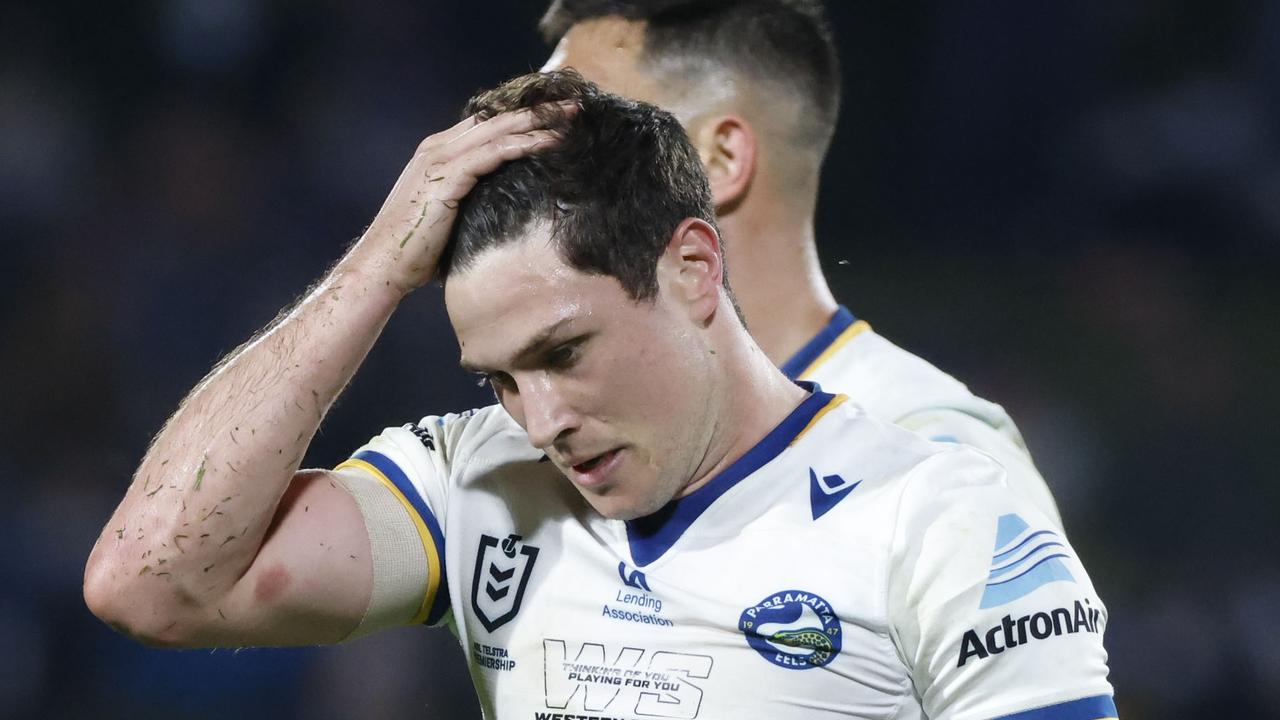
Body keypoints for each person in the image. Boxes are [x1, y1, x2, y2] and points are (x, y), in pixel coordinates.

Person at [85, 71, 1116, 718]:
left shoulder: (941, 518)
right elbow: (149, 582)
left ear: (693, 268)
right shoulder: (474, 482)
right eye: (498, 378)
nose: (539, 422)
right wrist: (370, 274)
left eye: (564, 351)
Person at [539, 0, 1064, 529]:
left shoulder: (932, 457)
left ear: (717, 160)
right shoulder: (554, 443)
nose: (528, 181)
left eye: (581, 145)